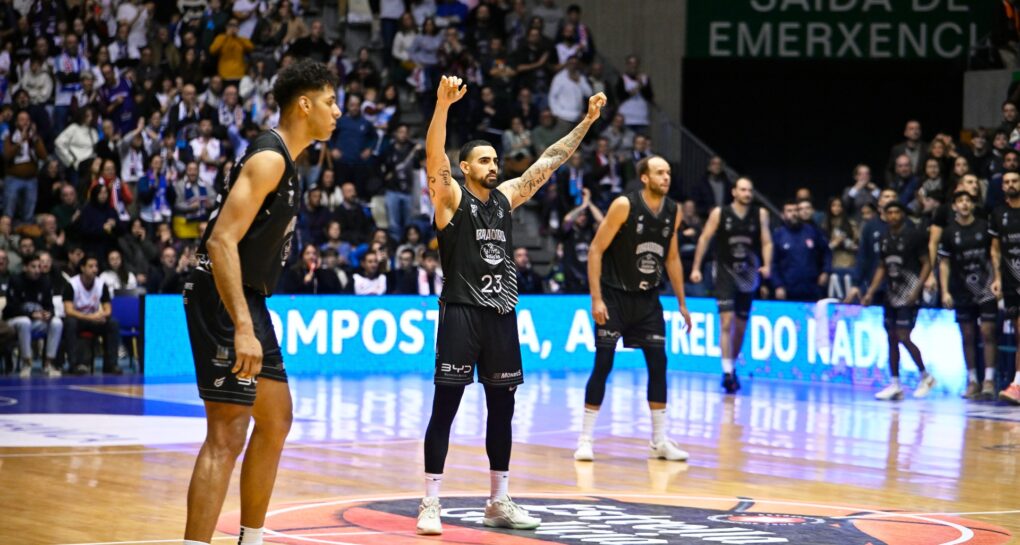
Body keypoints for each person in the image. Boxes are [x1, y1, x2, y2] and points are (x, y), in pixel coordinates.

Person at [416, 75, 605, 535]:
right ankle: (430, 502)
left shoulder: (505, 198)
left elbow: (550, 161)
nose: (493, 165)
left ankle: (498, 500)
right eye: (484, 160)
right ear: (464, 167)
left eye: (495, 160)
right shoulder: (450, 198)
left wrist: (586, 122)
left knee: (503, 411)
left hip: (501, 315)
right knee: (446, 407)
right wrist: (442, 106)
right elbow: (434, 156)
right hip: (461, 313)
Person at [181, 60, 340, 545]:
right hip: (221, 295)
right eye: (330, 102)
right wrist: (243, 327)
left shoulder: (289, 163)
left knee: (276, 418)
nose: (337, 111)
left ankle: (251, 538)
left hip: (247, 295)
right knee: (227, 431)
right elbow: (220, 241)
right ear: (304, 105)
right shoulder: (269, 158)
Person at [574, 155, 692, 462]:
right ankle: (585, 439)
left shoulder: (673, 211)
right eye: (659, 172)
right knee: (603, 363)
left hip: (648, 299)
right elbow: (596, 250)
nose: (666, 177)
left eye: (668, 172)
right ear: (644, 177)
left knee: (659, 363)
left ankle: (659, 441)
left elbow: (672, 258)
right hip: (614, 296)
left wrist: (682, 302)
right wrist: (596, 298)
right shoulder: (624, 205)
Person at [690, 178, 772, 394]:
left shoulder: (760, 214)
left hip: (748, 274)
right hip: (724, 273)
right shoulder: (720, 213)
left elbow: (766, 241)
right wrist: (696, 267)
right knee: (726, 321)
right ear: (734, 192)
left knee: (741, 326)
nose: (747, 193)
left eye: (750, 190)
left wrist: (767, 264)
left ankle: (732, 366)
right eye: (743, 189)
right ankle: (726, 372)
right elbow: (704, 239)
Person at [862, 201, 935, 400]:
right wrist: (870, 292)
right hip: (891, 293)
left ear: (903, 214)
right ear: (885, 215)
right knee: (891, 337)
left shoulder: (915, 235)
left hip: (910, 293)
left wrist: (916, 289)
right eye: (890, 212)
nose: (893, 216)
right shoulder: (884, 238)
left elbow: (927, 263)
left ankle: (926, 376)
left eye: (897, 212)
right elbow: (881, 267)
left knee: (903, 336)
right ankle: (895, 384)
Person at [938, 191, 998, 401]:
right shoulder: (948, 232)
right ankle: (973, 381)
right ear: (954, 206)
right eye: (960, 201)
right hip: (961, 289)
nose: (964, 204)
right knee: (968, 335)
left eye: (968, 201)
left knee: (988, 332)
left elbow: (994, 254)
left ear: (973, 205)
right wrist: (945, 291)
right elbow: (944, 263)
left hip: (986, 287)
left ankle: (989, 380)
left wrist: (998, 279)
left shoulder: (984, 227)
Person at [4, 253, 62, 377]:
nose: (37, 270)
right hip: (14, 322)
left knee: (57, 323)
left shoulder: (45, 282)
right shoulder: (15, 280)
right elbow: (10, 309)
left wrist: (48, 314)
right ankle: (27, 363)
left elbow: (50, 306)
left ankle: (48, 363)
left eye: (39, 267)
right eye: (33, 267)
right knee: (24, 322)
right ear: (25, 267)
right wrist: (31, 314)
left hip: (37, 323)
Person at [990, 170, 1020, 404]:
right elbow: (995, 249)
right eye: (1006, 182)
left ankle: (1017, 384)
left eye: (1015, 181)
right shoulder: (998, 214)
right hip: (1011, 283)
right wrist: (998, 278)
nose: (1010, 184)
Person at [62, 256, 121, 376]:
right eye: (91, 266)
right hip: (79, 320)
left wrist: (101, 315)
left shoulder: (101, 284)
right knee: (70, 323)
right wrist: (90, 317)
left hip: (94, 320)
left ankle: (111, 365)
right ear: (82, 268)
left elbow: (108, 309)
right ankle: (74, 365)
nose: (94, 269)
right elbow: (68, 311)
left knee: (112, 323)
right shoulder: (72, 284)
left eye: (96, 266)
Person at [771, 200, 831, 302]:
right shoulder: (778, 235)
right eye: (789, 211)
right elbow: (773, 263)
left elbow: (826, 252)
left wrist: (826, 271)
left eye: (796, 210)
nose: (794, 214)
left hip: (812, 288)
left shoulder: (812, 231)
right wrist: (778, 285)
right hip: (788, 289)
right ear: (783, 215)